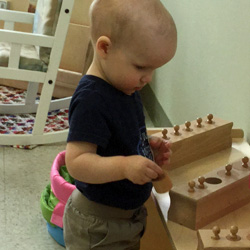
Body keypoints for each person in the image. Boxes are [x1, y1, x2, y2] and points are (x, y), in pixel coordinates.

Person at [63, 0, 177, 249]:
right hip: (98, 224)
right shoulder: (91, 100)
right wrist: (125, 166)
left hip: (127, 217)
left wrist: (145, 149)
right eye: (141, 67)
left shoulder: (126, 85)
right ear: (105, 47)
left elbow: (121, 134)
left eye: (154, 69)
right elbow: (77, 163)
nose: (148, 78)